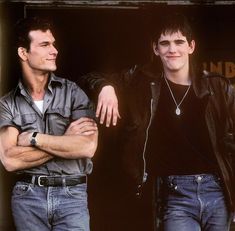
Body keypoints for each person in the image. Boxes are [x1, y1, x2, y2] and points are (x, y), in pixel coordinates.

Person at [79, 13, 235, 231]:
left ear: (191, 46)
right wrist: (106, 87)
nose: (172, 49)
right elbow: (88, 78)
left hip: (217, 190)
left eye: (179, 42)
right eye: (165, 43)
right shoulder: (140, 83)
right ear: (155, 49)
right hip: (175, 194)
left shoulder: (217, 87)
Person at [0, 17, 98, 231]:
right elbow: (9, 159)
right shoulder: (8, 104)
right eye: (45, 45)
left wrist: (35, 139)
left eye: (53, 44)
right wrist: (65, 142)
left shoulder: (73, 94)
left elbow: (87, 146)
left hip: (72, 196)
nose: (54, 50)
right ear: (23, 53)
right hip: (28, 197)